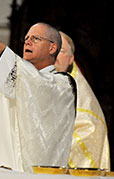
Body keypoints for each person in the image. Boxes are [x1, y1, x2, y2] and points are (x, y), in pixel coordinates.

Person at [0, 19, 77, 172]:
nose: (28, 42)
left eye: (35, 38)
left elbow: (37, 83)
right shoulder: (13, 79)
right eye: (26, 39)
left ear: (52, 47)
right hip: (1, 166)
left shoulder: (63, 85)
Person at [55, 31, 110, 170]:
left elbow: (92, 131)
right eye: (51, 49)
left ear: (71, 58)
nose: (54, 55)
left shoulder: (82, 95)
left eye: (60, 50)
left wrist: (49, 146)